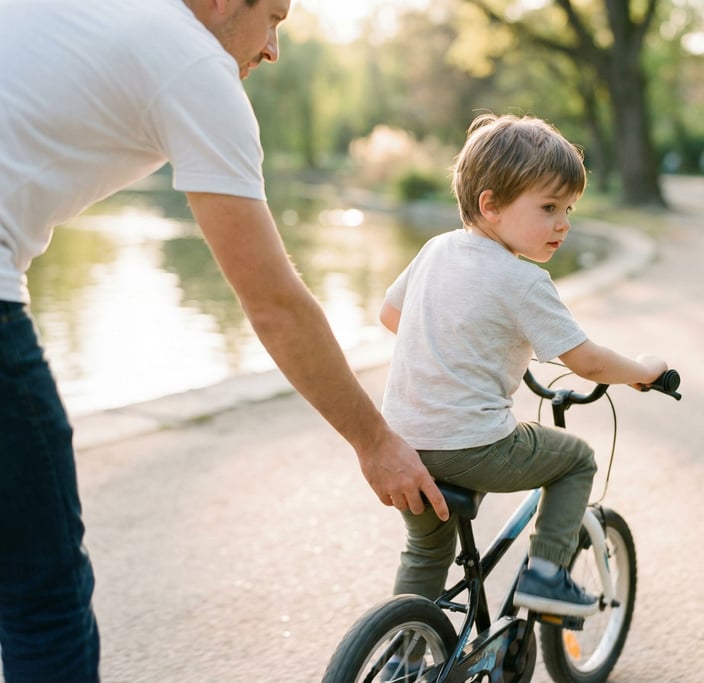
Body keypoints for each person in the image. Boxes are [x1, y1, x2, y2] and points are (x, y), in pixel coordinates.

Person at [0, 1, 446, 680]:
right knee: (43, 595)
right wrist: (375, 440)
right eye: (272, 16)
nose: (273, 49)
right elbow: (274, 306)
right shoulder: (193, 62)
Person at [379, 114, 667, 632]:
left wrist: (456, 351)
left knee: (426, 552)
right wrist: (643, 370)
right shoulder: (522, 279)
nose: (564, 223)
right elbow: (588, 361)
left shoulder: (435, 249)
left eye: (569, 209)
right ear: (490, 205)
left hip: (402, 442)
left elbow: (391, 316)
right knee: (575, 459)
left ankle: (404, 649)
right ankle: (546, 575)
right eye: (549, 207)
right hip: (471, 445)